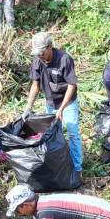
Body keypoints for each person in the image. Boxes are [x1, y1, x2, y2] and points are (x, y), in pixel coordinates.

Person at [22, 32, 83, 177]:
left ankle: (78, 168)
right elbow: (35, 86)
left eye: (42, 52)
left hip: (67, 103)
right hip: (50, 102)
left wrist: (61, 109)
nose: (40, 56)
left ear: (50, 47)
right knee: (54, 134)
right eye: (37, 54)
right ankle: (60, 164)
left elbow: (71, 86)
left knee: (73, 133)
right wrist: (28, 108)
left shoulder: (64, 59)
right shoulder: (38, 61)